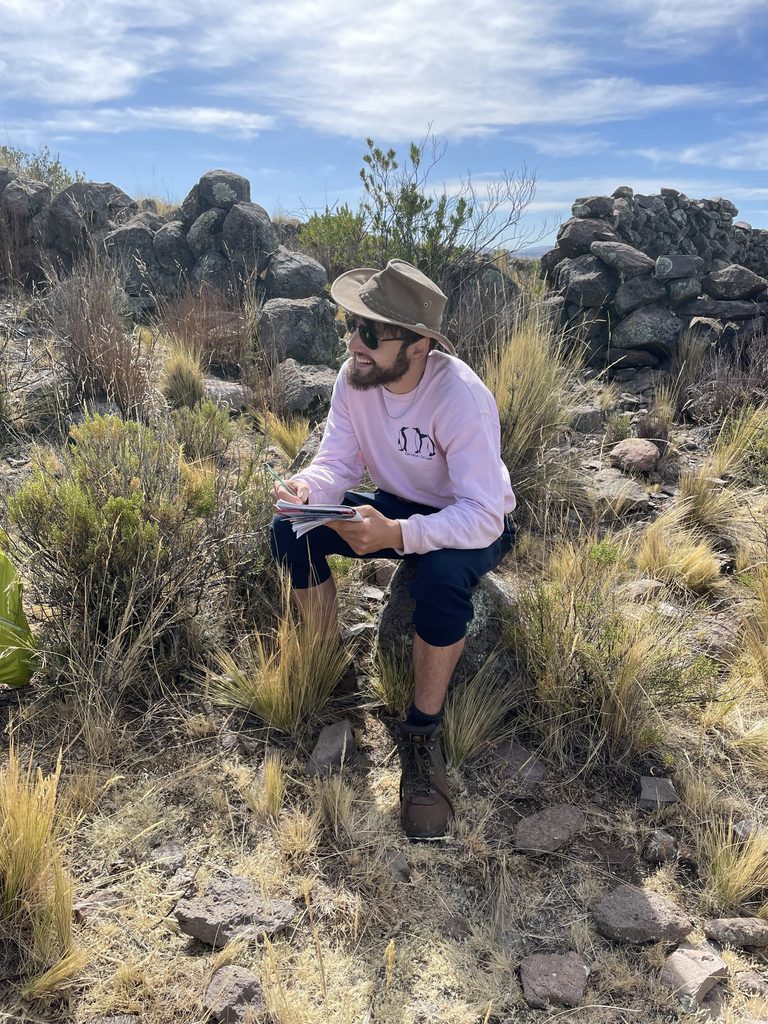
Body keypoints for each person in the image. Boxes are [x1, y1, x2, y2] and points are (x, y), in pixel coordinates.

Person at [270, 258, 516, 840]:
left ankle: (422, 738)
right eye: (351, 324)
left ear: (420, 344)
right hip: (396, 505)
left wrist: (398, 536)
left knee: (438, 581)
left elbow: (483, 514)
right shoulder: (354, 379)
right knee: (291, 528)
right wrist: (311, 488)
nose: (355, 342)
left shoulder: (461, 398)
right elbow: (337, 461)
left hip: (470, 519)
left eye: (372, 332)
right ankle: (329, 666)